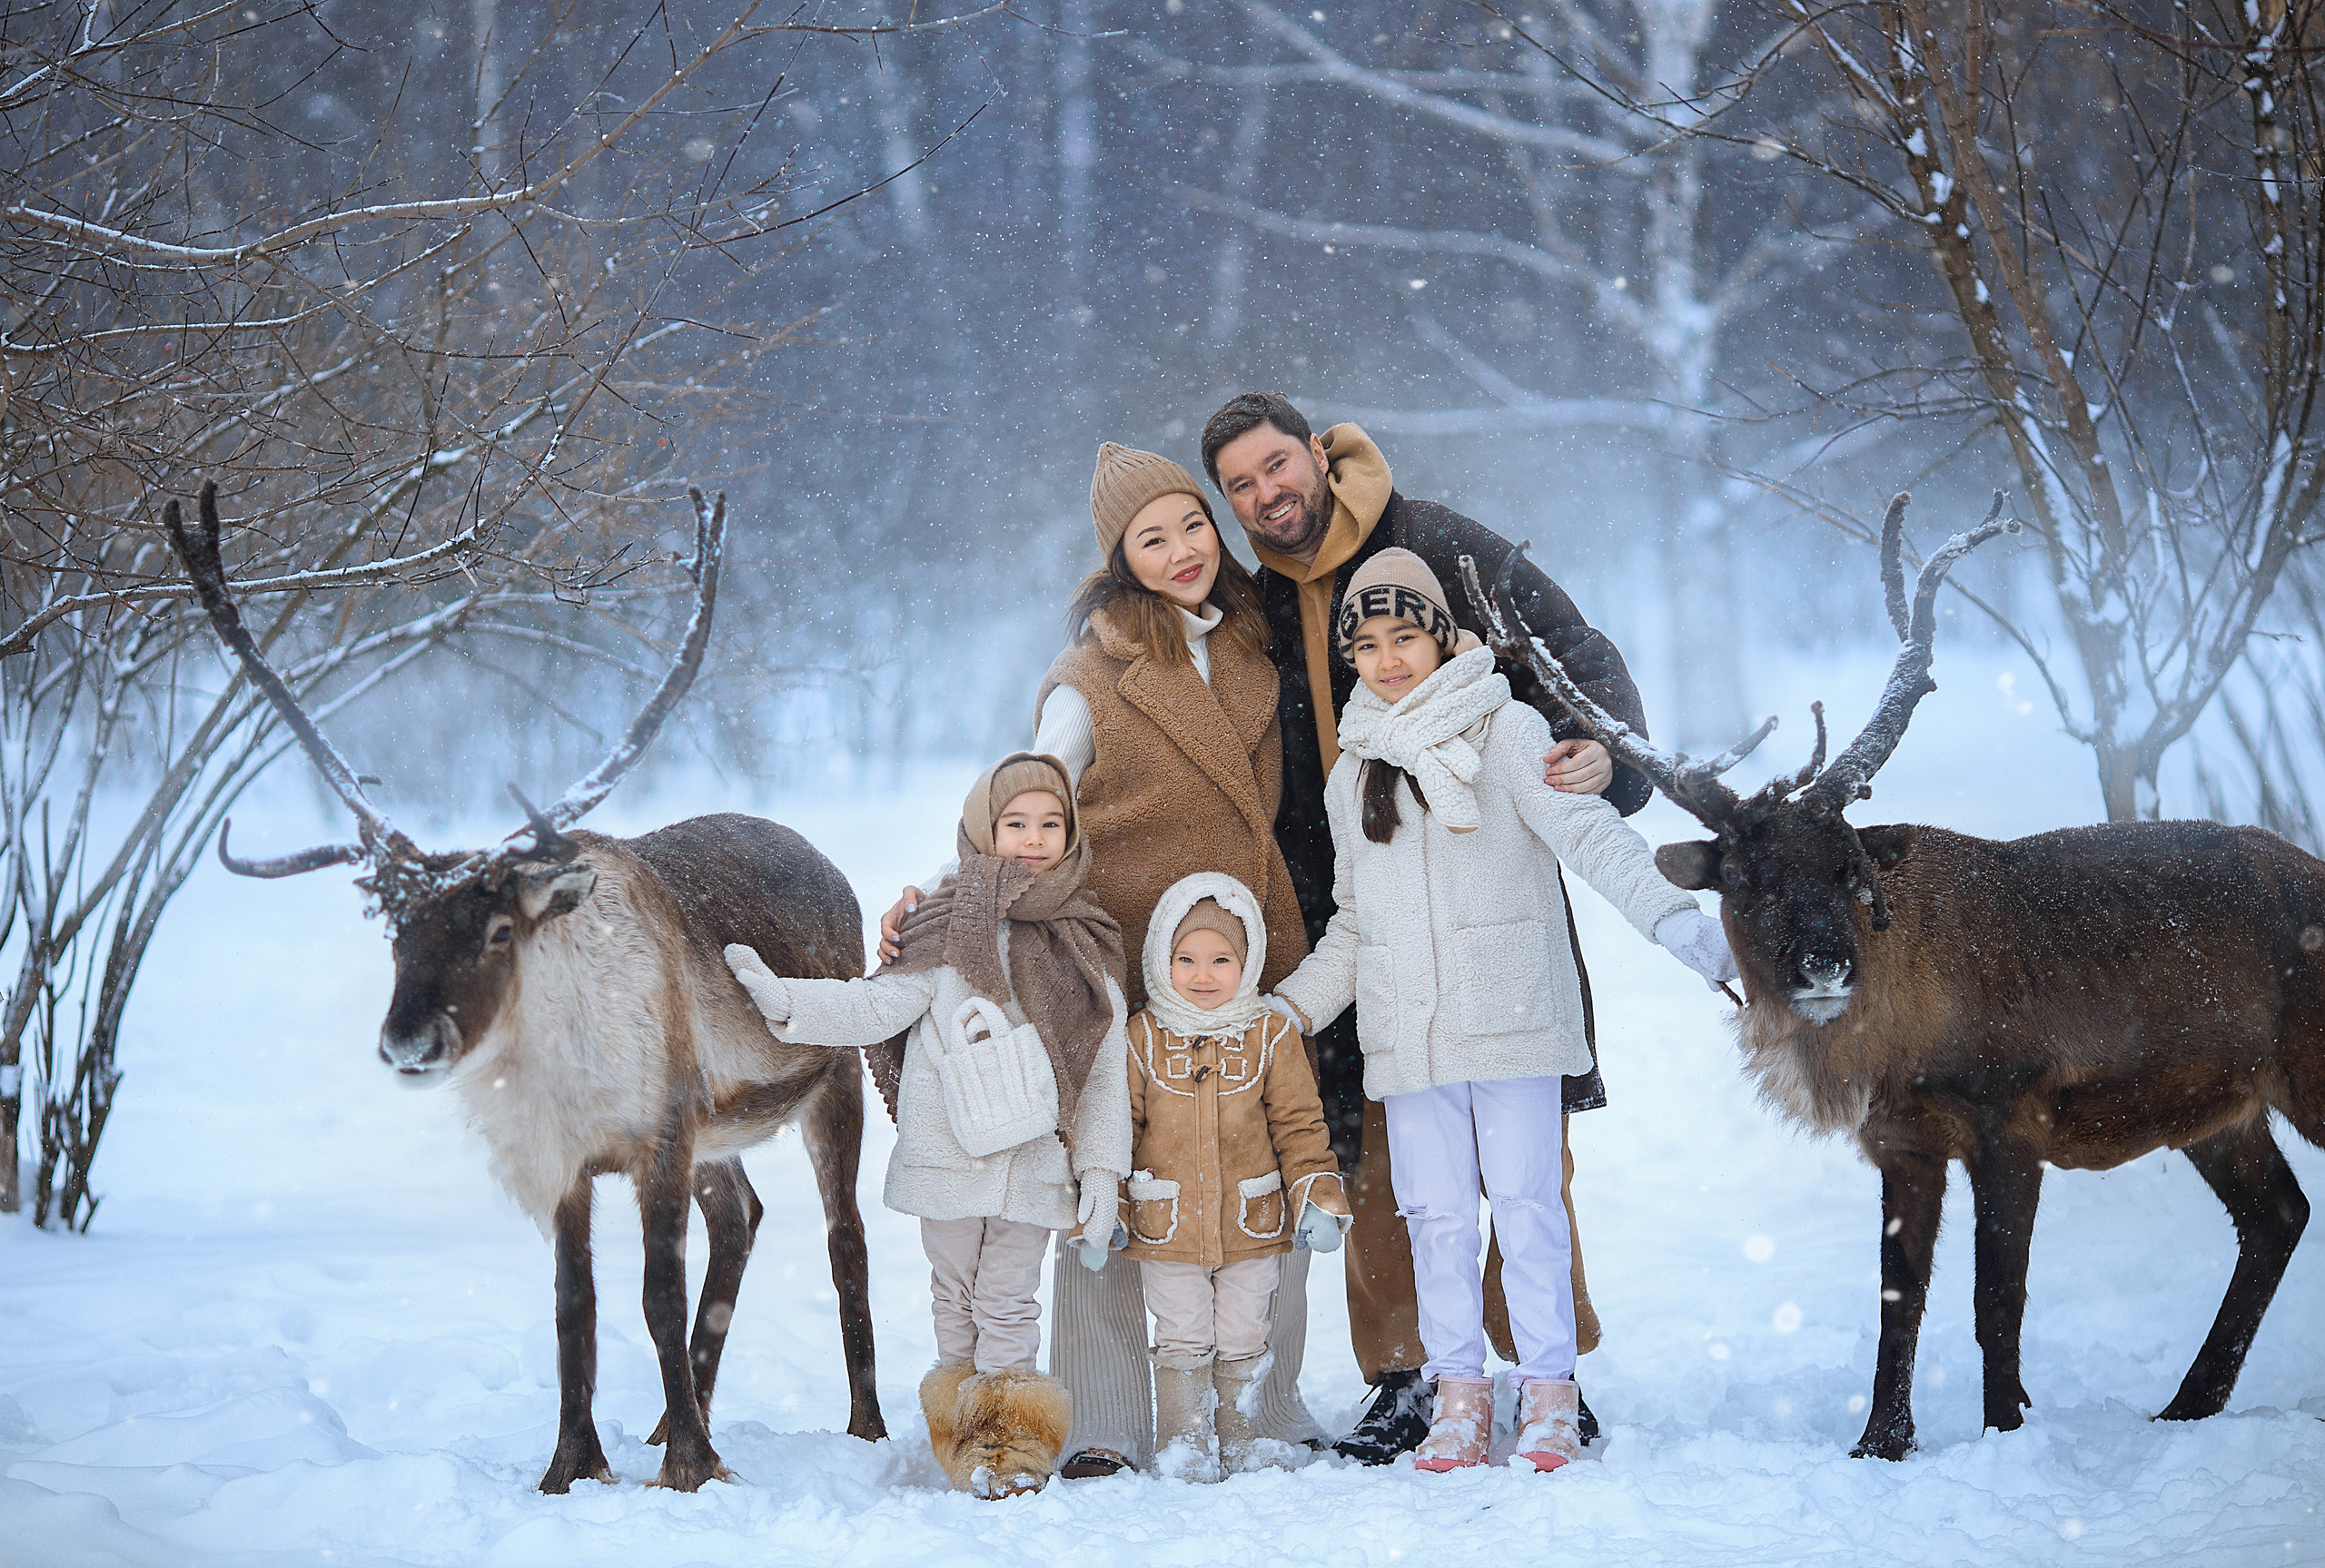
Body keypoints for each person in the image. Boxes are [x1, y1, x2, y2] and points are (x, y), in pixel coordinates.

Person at [1200, 391, 1675, 1462]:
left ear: (1318, 454)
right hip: (1339, 910)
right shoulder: (1254, 606)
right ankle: (1413, 1376)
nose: (1268, 493)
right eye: (1242, 484)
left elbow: (1578, 662)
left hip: (1483, 894)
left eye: (1279, 465)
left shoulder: (1443, 549)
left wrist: (1602, 751)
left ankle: (1544, 1367)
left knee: (1521, 1158)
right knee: (1379, 1164)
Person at [878, 445, 1327, 1476]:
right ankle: (1105, 1417)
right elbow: (1024, 800)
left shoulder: (1257, 654)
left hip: (1242, 945)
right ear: (1120, 558)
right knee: (1112, 1179)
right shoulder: (1091, 675)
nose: (1180, 550)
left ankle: (1259, 1402)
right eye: (1150, 536)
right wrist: (947, 903)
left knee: (1257, 1165)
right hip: (1121, 956)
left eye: (1192, 524)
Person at [1271, 550, 1736, 1472]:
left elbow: (1587, 833)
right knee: (1433, 1215)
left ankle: (1549, 1391)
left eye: (1404, 635)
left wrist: (1674, 918)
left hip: (1513, 1015)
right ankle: (1458, 1393)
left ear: (1442, 635)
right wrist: (1287, 1009)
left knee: (1527, 1208)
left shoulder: (1509, 730)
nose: (1389, 657)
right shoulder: (1351, 771)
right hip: (1409, 1036)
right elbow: (1354, 929)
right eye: (1365, 644)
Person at [723, 754, 1132, 1498]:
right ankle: (963, 1436)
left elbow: (1104, 1070)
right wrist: (788, 1002)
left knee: (1008, 1299)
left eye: (1051, 823)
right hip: (947, 1160)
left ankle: (1010, 1452)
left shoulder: (1087, 941)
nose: (1034, 838)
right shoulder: (939, 928)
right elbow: (878, 1006)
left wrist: (1102, 1169)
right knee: (954, 1296)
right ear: (985, 829)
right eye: (1015, 824)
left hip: (1034, 1163)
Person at [1123, 873, 1351, 1480]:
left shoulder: (1270, 1034)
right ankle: (1185, 1443)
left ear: (1246, 961)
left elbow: (1300, 1125)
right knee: (1182, 1330)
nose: (1204, 974)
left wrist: (1318, 1194)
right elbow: (1119, 1128)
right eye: (1187, 958)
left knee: (1245, 1328)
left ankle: (1241, 1436)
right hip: (1168, 1226)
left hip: (1252, 1222)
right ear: (1161, 959)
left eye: (1221, 958)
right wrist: (1108, 1207)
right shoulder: (1143, 1037)